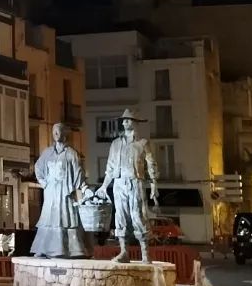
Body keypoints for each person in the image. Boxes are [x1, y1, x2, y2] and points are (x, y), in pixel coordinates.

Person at [103, 107, 159, 262]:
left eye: (128, 119)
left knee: (138, 216)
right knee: (120, 217)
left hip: (136, 182)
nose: (125, 122)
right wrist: (103, 186)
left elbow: (151, 164)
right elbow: (110, 167)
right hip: (119, 183)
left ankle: (145, 254)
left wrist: (154, 184)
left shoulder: (142, 144)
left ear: (135, 123)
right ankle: (123, 252)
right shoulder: (115, 144)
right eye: (124, 120)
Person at [30, 122, 92, 258]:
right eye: (54, 132)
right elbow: (38, 167)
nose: (56, 134)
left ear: (65, 134)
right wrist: (43, 182)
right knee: (48, 218)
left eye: (58, 131)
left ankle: (71, 249)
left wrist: (84, 188)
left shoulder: (71, 154)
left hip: (65, 191)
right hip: (51, 191)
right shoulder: (47, 153)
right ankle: (43, 248)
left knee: (66, 217)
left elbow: (78, 173)